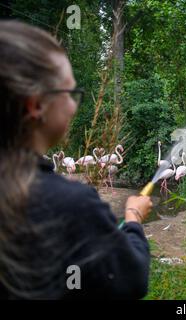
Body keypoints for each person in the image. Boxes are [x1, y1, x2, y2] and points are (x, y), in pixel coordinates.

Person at [0, 20, 152, 299]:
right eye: (70, 94)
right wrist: (133, 217)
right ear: (35, 105)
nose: (74, 106)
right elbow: (131, 280)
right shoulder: (70, 206)